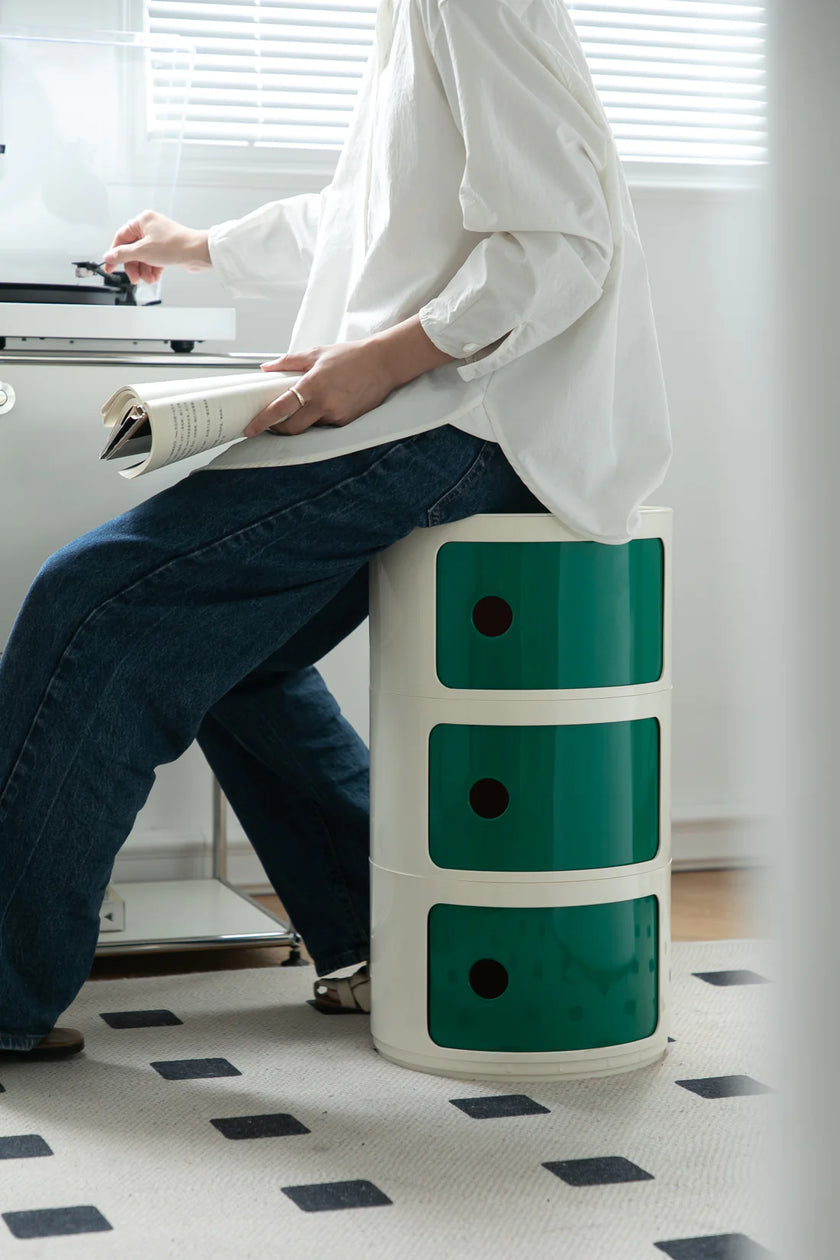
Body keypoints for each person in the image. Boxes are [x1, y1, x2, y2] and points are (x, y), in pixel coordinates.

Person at [0, 0, 671, 1059]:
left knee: (94, 604)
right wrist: (204, 244)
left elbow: (562, 239)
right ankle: (376, 937)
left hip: (468, 418)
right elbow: (370, 213)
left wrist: (379, 361)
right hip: (442, 408)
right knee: (234, 658)